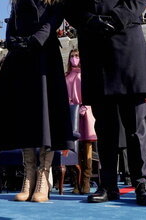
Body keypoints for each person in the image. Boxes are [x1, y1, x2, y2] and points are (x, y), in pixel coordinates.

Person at [65, 0, 146, 206]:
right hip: (97, 60)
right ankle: (107, 186)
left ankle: (141, 184)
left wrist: (114, 19)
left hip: (127, 55)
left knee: (135, 127)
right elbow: (71, 10)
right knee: (105, 130)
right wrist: (91, 22)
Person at [0, 0, 74, 203]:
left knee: (44, 112)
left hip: (43, 54)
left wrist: (37, 40)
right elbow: (11, 22)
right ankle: (28, 175)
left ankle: (43, 176)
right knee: (24, 114)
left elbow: (55, 17)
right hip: (20, 56)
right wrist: (14, 42)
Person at [65, 49, 97, 194]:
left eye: (77, 56)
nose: (74, 58)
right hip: (72, 113)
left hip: (86, 112)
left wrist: (85, 106)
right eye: (72, 56)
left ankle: (86, 182)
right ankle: (76, 184)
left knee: (87, 148)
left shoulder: (85, 74)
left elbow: (90, 91)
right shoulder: (66, 76)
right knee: (74, 149)